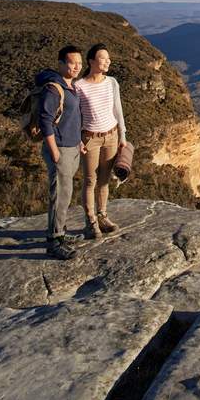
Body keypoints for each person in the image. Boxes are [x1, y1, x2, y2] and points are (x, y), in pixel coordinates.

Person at [36, 45, 84, 259]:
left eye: (80, 63)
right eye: (73, 62)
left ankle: (60, 234)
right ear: (61, 63)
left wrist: (79, 142)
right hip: (60, 149)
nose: (77, 67)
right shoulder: (53, 88)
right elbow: (45, 120)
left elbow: (71, 118)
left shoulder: (70, 86)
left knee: (66, 193)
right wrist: (54, 150)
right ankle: (54, 241)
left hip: (72, 146)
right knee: (59, 196)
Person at [76, 43, 127, 239]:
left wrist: (122, 135)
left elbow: (118, 110)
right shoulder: (79, 87)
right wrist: (77, 140)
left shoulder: (112, 82)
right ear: (91, 62)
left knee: (104, 180)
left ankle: (103, 216)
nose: (108, 61)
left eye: (108, 58)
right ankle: (90, 222)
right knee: (90, 181)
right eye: (103, 58)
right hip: (90, 139)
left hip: (111, 136)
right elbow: (75, 117)